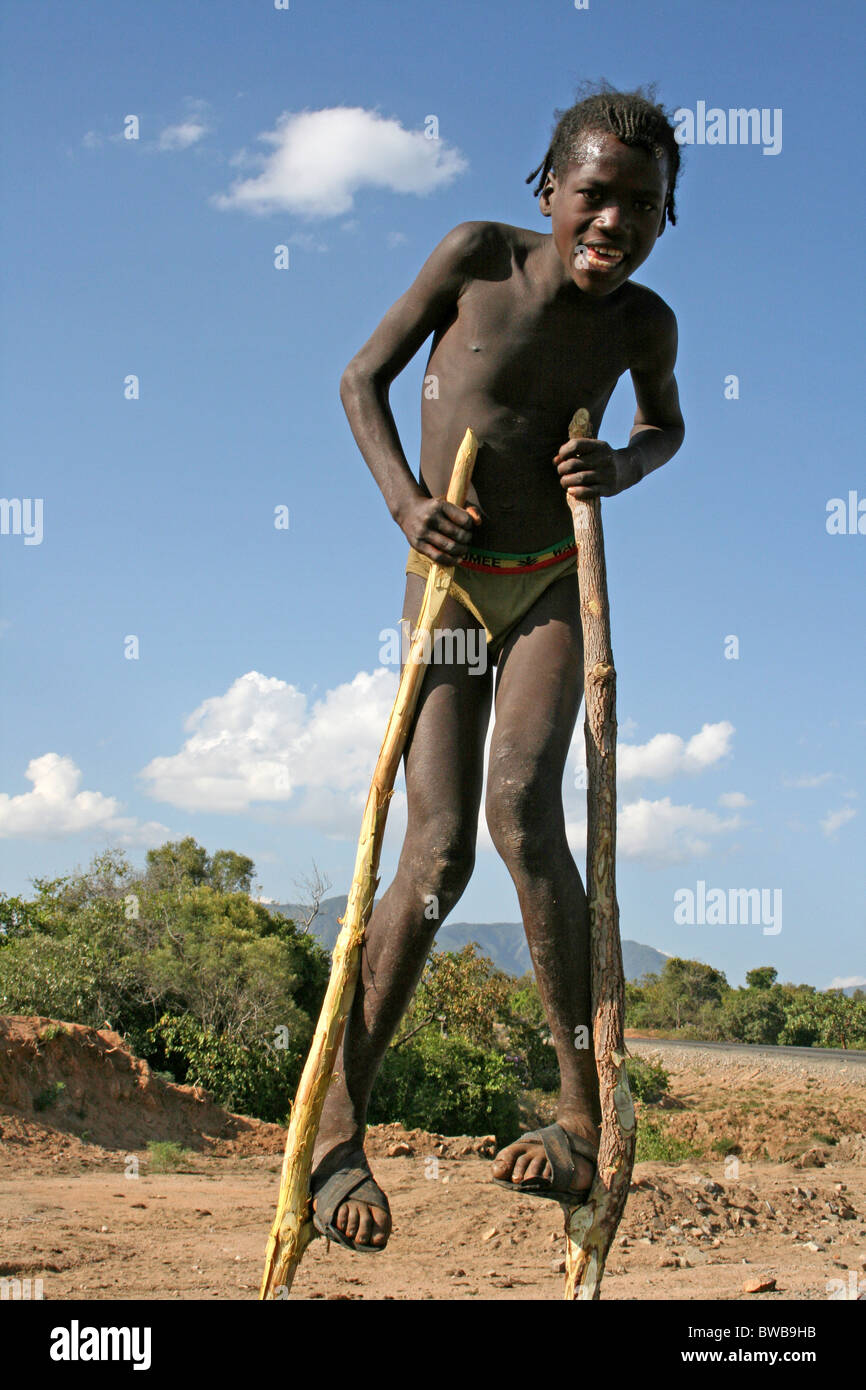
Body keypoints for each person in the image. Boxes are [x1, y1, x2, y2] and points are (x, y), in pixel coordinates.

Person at [310, 85, 685, 1251]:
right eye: (594, 196)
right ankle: (334, 1130)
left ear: (664, 219)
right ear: (548, 192)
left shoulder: (642, 326)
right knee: (437, 845)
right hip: (454, 580)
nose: (613, 223)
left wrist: (617, 471)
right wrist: (406, 504)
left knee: (526, 811)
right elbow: (360, 379)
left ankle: (575, 1117)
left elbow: (664, 427)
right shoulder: (475, 255)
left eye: (642, 206)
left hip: (550, 583)